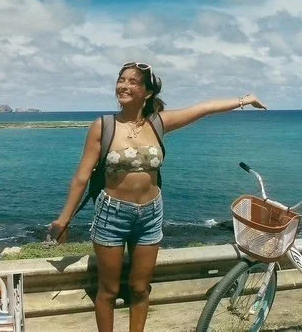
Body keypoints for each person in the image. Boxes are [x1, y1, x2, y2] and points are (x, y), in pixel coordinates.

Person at [49, 61, 267, 332]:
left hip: (150, 215)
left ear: (147, 93)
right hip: (111, 214)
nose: (124, 86)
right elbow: (82, 177)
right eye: (121, 80)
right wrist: (64, 220)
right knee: (109, 289)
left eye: (133, 82)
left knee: (140, 289)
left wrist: (245, 100)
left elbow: (203, 109)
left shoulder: (158, 123)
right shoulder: (103, 126)